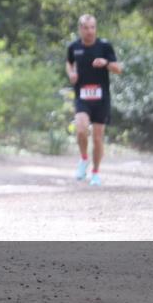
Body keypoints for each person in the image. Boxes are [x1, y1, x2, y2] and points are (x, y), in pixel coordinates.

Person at [65, 14, 122, 185]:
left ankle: (95, 173)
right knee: (81, 129)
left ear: (95, 28)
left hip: (101, 98)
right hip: (82, 96)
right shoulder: (73, 47)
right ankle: (84, 159)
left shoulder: (104, 46)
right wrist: (71, 74)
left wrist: (105, 63)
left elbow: (118, 69)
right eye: (86, 28)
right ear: (80, 29)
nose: (90, 31)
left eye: (93, 27)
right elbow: (69, 62)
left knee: (97, 138)